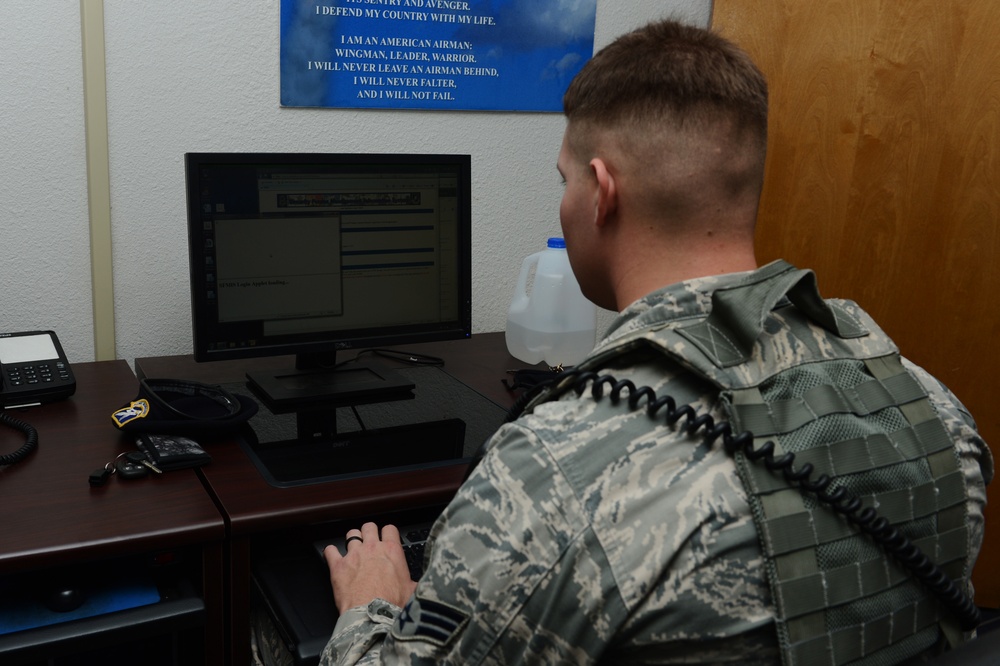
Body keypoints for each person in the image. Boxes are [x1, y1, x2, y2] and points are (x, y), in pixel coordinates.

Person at [258, 18, 993, 665]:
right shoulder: (939, 415)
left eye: (565, 180)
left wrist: (369, 606)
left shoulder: (552, 474)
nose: (565, 200)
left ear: (603, 191)